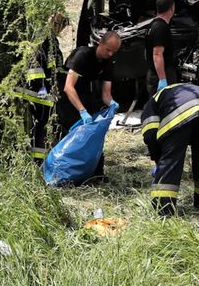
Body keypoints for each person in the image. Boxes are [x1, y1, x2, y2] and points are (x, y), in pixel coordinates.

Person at [141, 78, 199, 216]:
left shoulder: (150, 105)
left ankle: (163, 207)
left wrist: (159, 160)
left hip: (182, 107)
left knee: (172, 157)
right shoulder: (171, 92)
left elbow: (150, 136)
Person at [57, 31, 122, 180]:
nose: (110, 54)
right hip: (68, 98)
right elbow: (68, 87)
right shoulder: (82, 55)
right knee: (74, 136)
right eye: (108, 50)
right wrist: (82, 111)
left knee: (92, 135)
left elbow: (106, 94)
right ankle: (66, 174)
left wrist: (111, 103)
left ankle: (94, 174)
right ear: (100, 43)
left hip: (86, 96)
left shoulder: (108, 63)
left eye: (114, 51)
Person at [16, 12, 68, 165]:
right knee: (41, 127)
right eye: (61, 26)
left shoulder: (51, 40)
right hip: (37, 93)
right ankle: (37, 162)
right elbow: (36, 66)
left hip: (43, 92)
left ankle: (38, 160)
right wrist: (41, 88)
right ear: (55, 24)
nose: (61, 29)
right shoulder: (42, 40)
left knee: (41, 127)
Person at [145, 0, 179, 97]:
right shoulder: (161, 27)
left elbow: (146, 52)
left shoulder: (151, 26)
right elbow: (157, 54)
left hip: (153, 73)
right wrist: (163, 79)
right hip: (161, 75)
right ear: (172, 8)